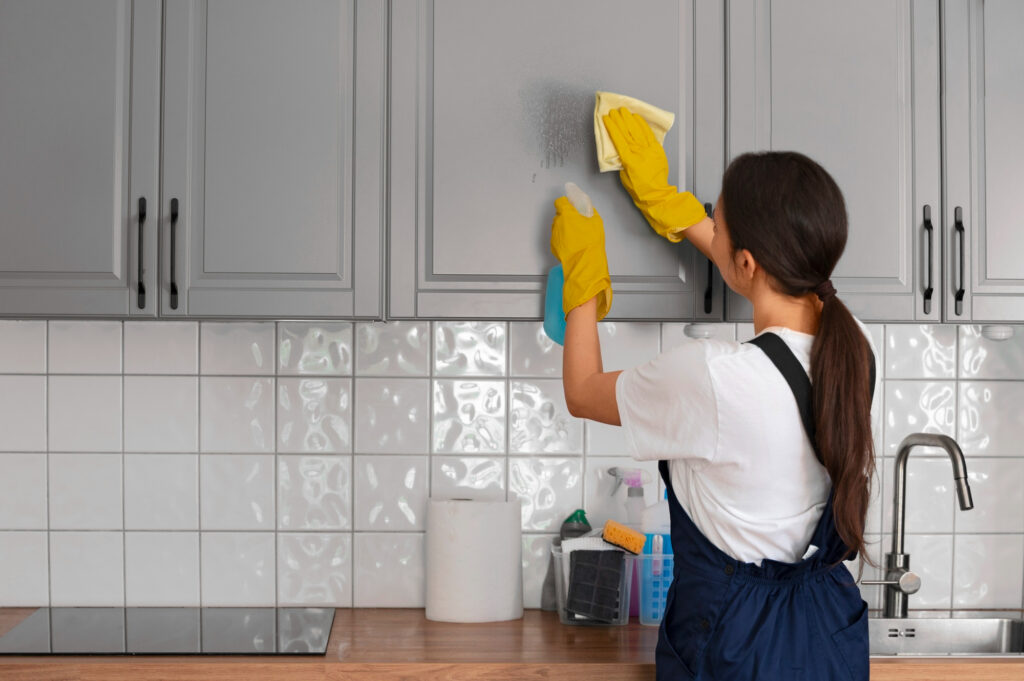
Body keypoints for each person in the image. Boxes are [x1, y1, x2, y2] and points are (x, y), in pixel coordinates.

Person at [549, 107, 876, 680]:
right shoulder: (855, 349)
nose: (710, 228)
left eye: (715, 223)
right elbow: (773, 270)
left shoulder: (713, 378)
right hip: (826, 629)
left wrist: (582, 275)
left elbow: (581, 393)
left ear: (746, 262)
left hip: (736, 643)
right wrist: (664, 200)